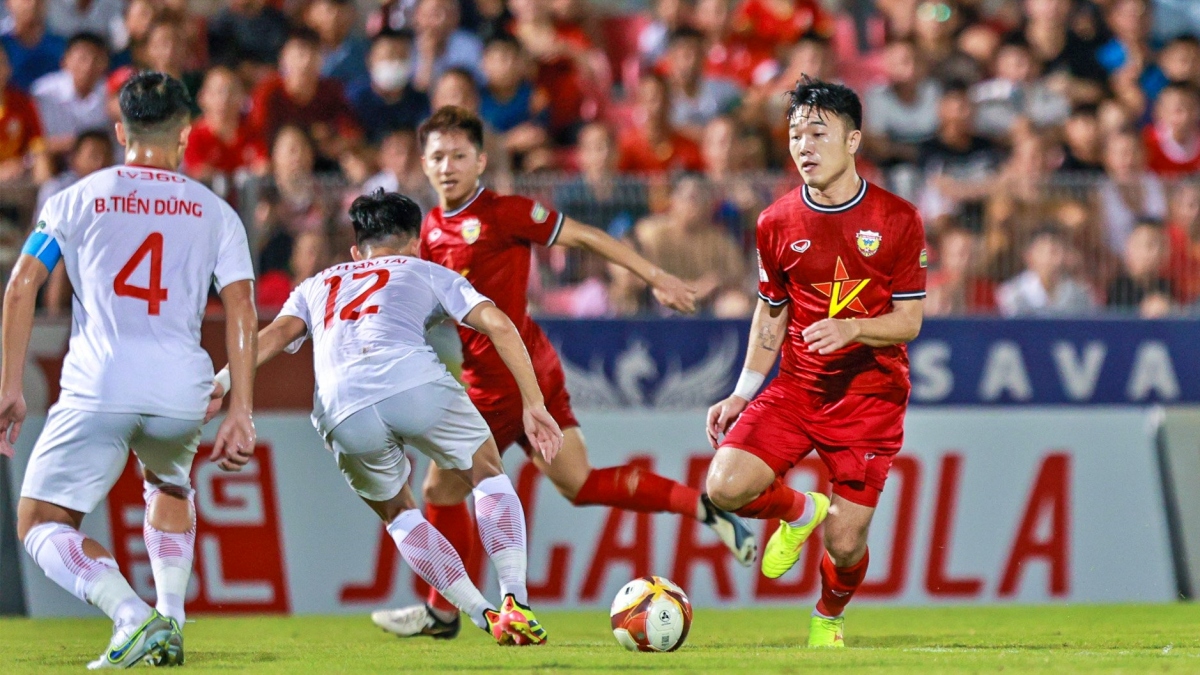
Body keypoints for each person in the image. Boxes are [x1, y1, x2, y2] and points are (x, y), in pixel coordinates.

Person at [370, 105, 756, 639]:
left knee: (439, 490)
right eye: (437, 156)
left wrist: (654, 275)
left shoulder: (504, 212)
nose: (448, 165)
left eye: (459, 155)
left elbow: (586, 238)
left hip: (502, 378)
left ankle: (442, 613)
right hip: (531, 364)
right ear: (423, 163)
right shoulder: (430, 228)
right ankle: (704, 507)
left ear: (481, 160)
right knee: (578, 482)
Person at [208, 190, 559, 645]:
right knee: (486, 471)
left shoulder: (317, 283)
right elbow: (498, 323)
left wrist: (220, 382)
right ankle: (515, 600)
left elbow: (272, 335)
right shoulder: (428, 270)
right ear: (415, 243)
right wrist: (534, 403)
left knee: (398, 512)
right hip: (413, 382)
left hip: (339, 406)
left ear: (357, 251)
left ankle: (481, 614)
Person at [0, 71, 257, 668]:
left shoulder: (76, 197)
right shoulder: (216, 212)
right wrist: (241, 408)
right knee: (169, 483)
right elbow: (242, 307)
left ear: (120, 130)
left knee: (38, 518)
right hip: (181, 390)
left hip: (100, 384)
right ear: (186, 134)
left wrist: (10, 387)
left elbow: (21, 288)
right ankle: (170, 621)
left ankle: (130, 614)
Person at [703, 78, 926, 648]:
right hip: (798, 389)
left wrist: (854, 327)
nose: (804, 145)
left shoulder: (898, 219)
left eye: (818, 133)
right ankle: (800, 511)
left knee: (846, 545)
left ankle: (827, 617)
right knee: (723, 486)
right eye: (795, 134)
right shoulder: (776, 222)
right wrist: (741, 392)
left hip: (870, 399)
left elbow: (910, 321)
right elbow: (770, 313)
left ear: (853, 140)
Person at [30, 31, 109, 158]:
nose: (88, 66)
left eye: (96, 59)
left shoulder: (111, 93)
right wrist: (76, 143)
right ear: (65, 61)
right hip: (53, 162)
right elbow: (33, 143)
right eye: (82, 58)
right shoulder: (43, 92)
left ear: (106, 63)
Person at [347, 29, 431, 145]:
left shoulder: (419, 100)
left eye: (402, 56)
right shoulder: (354, 98)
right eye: (389, 55)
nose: (396, 63)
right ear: (370, 59)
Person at [996, 226, 1096, 316]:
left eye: (1056, 251)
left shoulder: (1079, 293)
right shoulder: (1011, 292)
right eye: (1044, 252)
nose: (1051, 259)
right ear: (1029, 256)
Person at [1106, 219, 1174, 317]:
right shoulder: (1118, 289)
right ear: (1129, 248)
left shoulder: (1164, 286)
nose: (1156, 252)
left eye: (1161, 246)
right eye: (1149, 245)